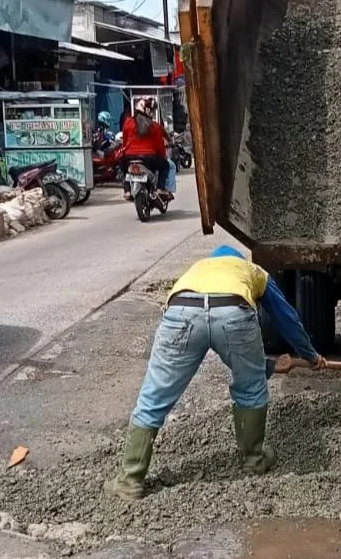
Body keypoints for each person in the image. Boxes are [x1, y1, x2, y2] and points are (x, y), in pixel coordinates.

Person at [109, 245, 326, 500]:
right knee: (251, 387)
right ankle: (253, 460)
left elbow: (205, 325)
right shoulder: (252, 270)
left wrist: (267, 365)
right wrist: (310, 355)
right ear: (238, 261)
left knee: (153, 397)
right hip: (233, 310)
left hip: (181, 312)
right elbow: (286, 318)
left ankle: (129, 481)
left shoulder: (197, 269)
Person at [120, 96, 171, 198]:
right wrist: (163, 156)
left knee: (123, 169)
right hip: (149, 158)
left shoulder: (128, 123)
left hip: (128, 157)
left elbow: (124, 142)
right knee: (165, 166)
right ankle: (160, 188)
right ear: (150, 111)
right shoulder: (154, 126)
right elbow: (160, 146)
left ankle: (127, 190)